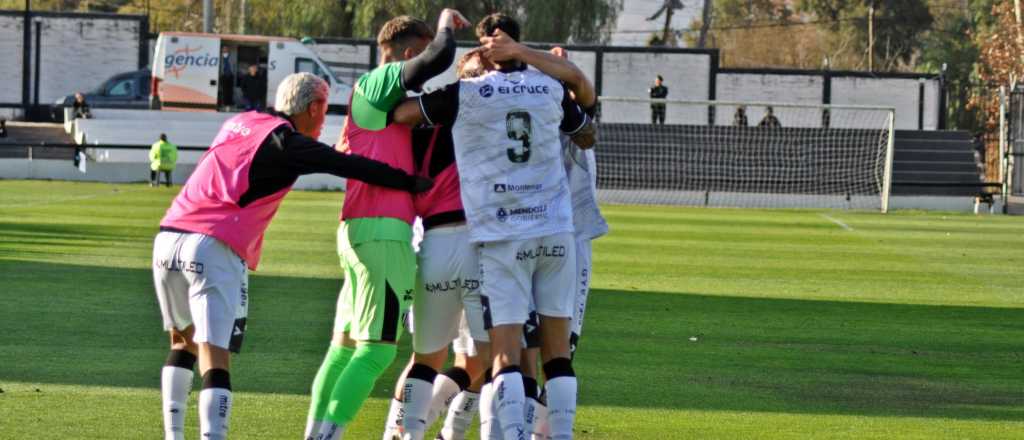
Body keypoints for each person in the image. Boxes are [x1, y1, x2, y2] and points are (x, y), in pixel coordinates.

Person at [152, 72, 432, 440]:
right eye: (324, 110)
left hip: (168, 236)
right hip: (213, 243)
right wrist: (409, 181)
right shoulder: (288, 142)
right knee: (215, 355)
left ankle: (173, 436)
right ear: (314, 107)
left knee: (181, 342)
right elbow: (349, 166)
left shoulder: (240, 121)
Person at [392, 13, 596, 440]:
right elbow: (587, 131)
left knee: (491, 356)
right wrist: (547, 65)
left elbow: (402, 113)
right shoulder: (551, 87)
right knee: (554, 355)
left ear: (484, 50)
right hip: (556, 230)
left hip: (497, 236)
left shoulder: (465, 93)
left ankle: (411, 432)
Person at [303, 9, 468, 440]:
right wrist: (447, 23)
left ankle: (314, 435)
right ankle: (328, 436)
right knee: (376, 352)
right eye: (418, 56)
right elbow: (439, 57)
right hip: (383, 232)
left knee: (342, 351)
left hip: (360, 229)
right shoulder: (377, 83)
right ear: (407, 53)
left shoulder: (374, 106)